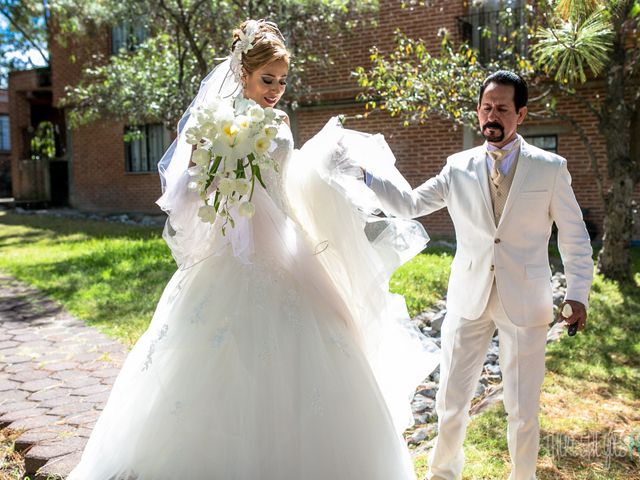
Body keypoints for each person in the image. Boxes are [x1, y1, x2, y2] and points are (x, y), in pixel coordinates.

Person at [67, 19, 439, 480]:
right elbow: (184, 194)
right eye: (268, 79)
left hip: (287, 249)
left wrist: (329, 164)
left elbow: (290, 181)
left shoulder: (280, 121)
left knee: (327, 334)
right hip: (232, 254)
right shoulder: (214, 122)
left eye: (282, 81)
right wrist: (210, 172)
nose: (276, 90)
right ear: (243, 71)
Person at [363, 71, 594, 480]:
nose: (493, 116)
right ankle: (442, 473)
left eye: (502, 109)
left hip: (526, 301)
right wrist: (365, 177)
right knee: (451, 398)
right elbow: (409, 203)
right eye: (487, 108)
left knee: (523, 408)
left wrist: (577, 293)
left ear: (520, 114)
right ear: (478, 111)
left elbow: (574, 236)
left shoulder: (550, 169)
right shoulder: (457, 167)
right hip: (468, 297)